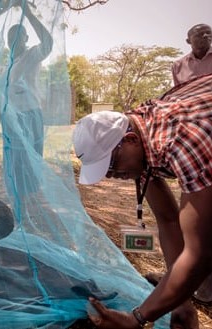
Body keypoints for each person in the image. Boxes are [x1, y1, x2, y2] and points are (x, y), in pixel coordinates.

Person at [72, 74, 212, 328]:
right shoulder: (139, 130)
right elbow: (168, 219)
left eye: (112, 167)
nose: (113, 177)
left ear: (130, 141)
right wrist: (181, 304)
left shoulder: (183, 141)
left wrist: (137, 318)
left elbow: (200, 252)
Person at [0, 1, 53, 214]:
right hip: (10, 120)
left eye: (18, 36)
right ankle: (19, 209)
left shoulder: (33, 55)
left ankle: (28, 208)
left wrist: (29, 14)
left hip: (29, 116)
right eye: (9, 38)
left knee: (28, 162)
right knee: (14, 163)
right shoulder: (7, 65)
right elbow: (3, 98)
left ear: (25, 39)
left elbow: (48, 42)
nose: (13, 41)